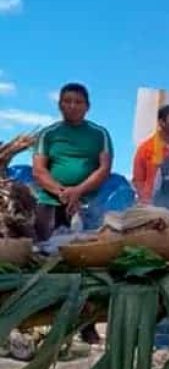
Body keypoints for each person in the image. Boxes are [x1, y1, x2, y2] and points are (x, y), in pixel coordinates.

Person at [31, 82, 111, 345]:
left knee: (87, 265)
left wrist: (78, 191)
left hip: (88, 206)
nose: (72, 106)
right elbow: (39, 171)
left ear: (87, 106)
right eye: (67, 101)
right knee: (48, 262)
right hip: (49, 204)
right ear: (59, 105)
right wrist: (62, 191)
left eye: (78, 102)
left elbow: (103, 169)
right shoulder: (49, 134)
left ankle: (86, 324)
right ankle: (46, 323)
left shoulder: (99, 133)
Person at [132, 104, 169, 204]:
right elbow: (138, 180)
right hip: (154, 207)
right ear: (161, 122)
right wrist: (145, 200)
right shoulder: (146, 149)